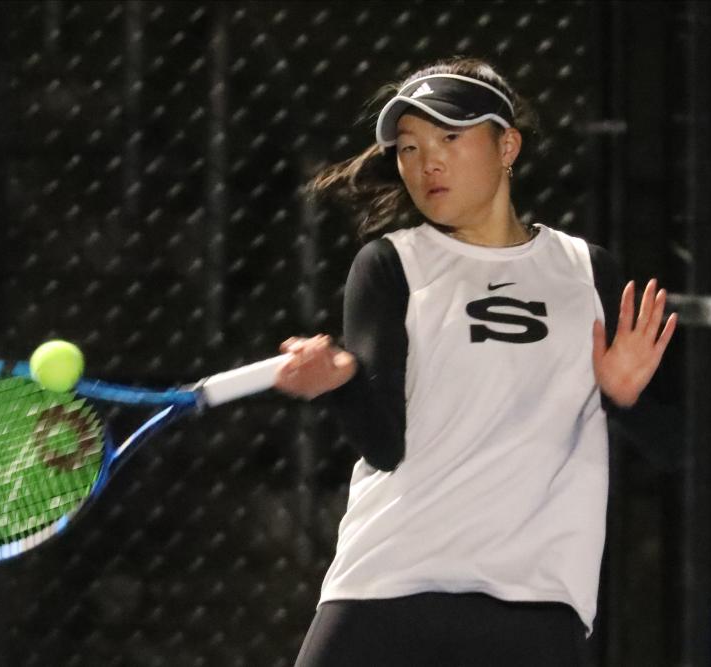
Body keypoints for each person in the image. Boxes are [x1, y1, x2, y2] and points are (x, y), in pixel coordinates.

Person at [274, 56, 678, 666]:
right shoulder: (390, 265)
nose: (426, 161)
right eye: (408, 147)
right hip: (387, 585)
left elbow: (675, 449)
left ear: (507, 144)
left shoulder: (586, 272)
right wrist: (339, 384)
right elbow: (383, 445)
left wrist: (625, 398)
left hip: (536, 602)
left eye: (450, 137)